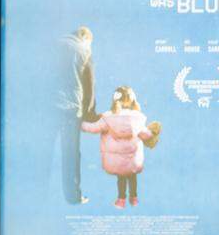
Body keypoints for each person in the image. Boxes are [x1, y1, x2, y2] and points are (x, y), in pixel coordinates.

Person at [80, 85, 158, 208]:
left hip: (117, 161)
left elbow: (93, 128)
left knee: (121, 178)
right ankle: (134, 199)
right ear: (132, 99)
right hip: (133, 160)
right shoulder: (138, 118)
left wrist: (81, 124)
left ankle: (121, 200)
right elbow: (146, 135)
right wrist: (153, 133)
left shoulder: (107, 118)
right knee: (132, 178)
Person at [55, 26, 98, 204]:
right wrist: (89, 113)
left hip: (47, 106)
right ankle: (73, 196)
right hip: (70, 110)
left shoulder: (52, 45)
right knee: (70, 153)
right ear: (84, 37)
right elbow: (89, 85)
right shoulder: (83, 50)